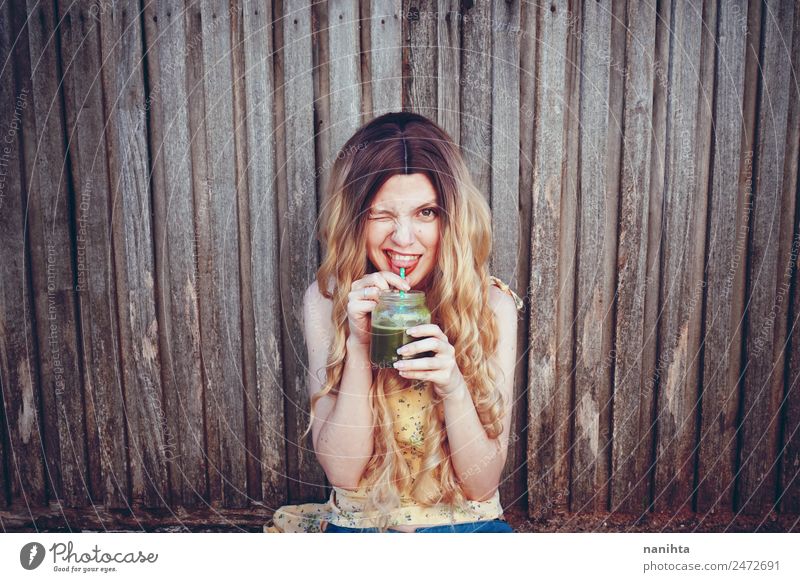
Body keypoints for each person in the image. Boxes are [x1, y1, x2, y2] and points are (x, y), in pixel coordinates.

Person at [265, 111, 524, 533]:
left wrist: (453, 385)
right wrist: (358, 346)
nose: (403, 239)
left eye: (425, 212)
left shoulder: (491, 305)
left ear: (451, 217)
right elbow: (344, 475)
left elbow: (483, 484)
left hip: (465, 528)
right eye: (380, 213)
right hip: (361, 528)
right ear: (354, 217)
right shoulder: (328, 301)